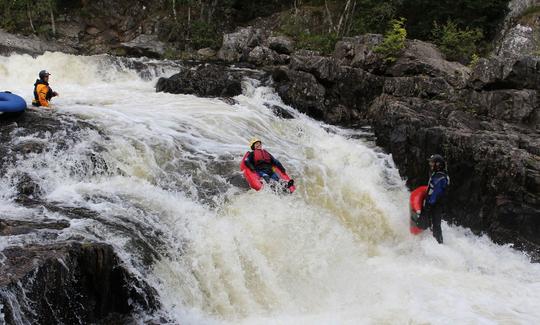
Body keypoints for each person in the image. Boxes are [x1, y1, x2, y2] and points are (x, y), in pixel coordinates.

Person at [421, 154, 450, 244]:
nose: (431, 164)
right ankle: (436, 243)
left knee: (436, 225)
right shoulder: (438, 174)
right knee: (434, 224)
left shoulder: (440, 177)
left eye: (432, 163)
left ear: (438, 165)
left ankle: (439, 244)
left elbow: (435, 193)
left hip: (436, 205)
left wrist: (428, 205)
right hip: (437, 204)